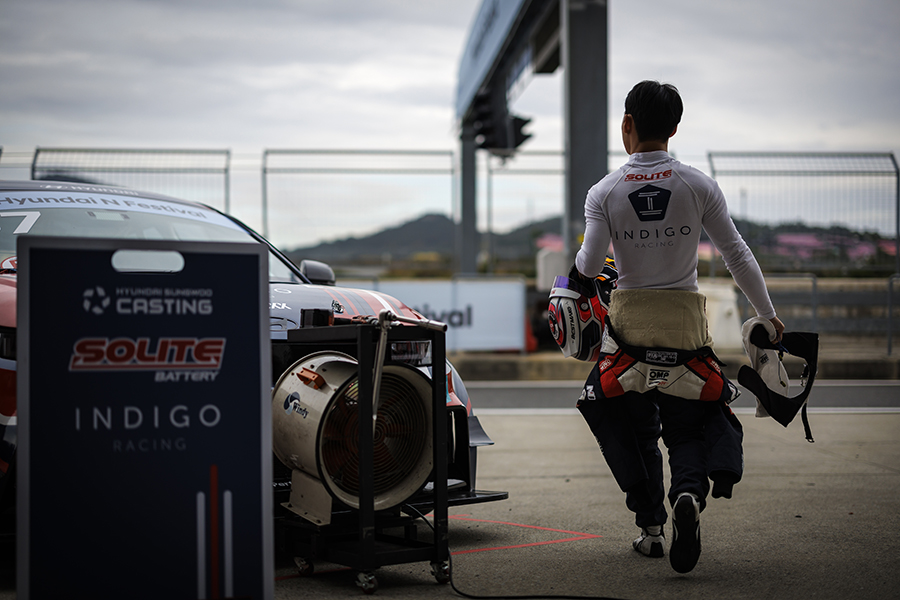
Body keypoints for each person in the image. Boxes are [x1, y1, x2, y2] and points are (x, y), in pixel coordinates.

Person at [573, 80, 784, 573]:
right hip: (684, 325)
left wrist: (583, 273)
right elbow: (736, 254)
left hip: (628, 328)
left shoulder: (604, 190)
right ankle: (688, 492)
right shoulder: (697, 184)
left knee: (629, 424)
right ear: (674, 127)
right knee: (688, 422)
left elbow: (586, 265)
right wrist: (767, 313)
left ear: (627, 124)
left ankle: (650, 529)